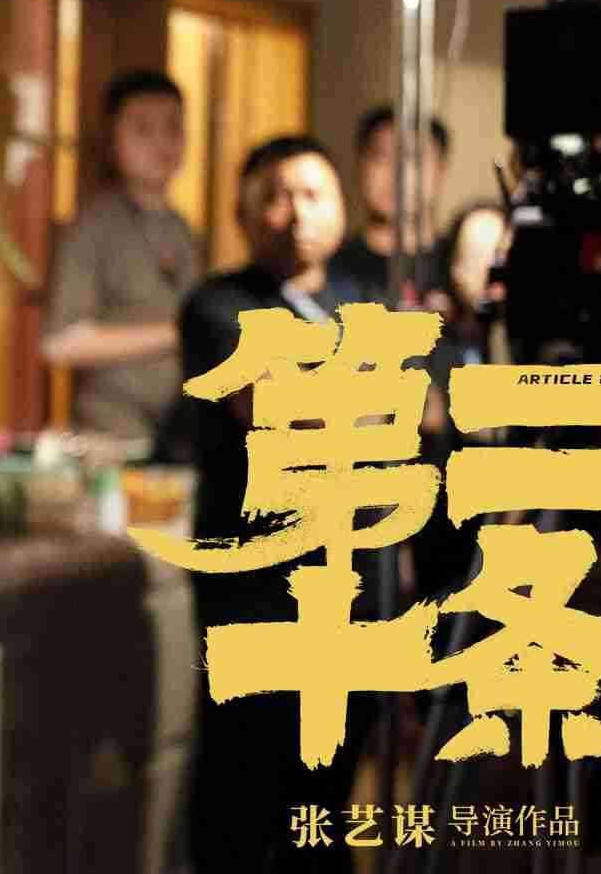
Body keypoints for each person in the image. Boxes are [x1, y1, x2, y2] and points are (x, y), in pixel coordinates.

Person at [176, 136, 372, 873]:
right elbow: (276, 406)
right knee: (240, 787)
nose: (295, 214)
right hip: (253, 589)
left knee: (326, 799)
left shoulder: (360, 302)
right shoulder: (217, 304)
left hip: (350, 584)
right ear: (242, 213)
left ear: (341, 209)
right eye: (276, 196)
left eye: (313, 195)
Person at [41, 69, 200, 448]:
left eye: (173, 128)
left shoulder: (184, 229)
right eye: (143, 130)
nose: (162, 143)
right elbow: (59, 343)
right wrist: (175, 335)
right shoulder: (93, 227)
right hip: (111, 436)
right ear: (113, 139)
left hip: (179, 433)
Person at [329, 104, 450, 303]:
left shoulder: (457, 264)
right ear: (359, 165)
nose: (398, 174)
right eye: (382, 158)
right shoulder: (329, 269)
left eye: (415, 160)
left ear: (440, 171)